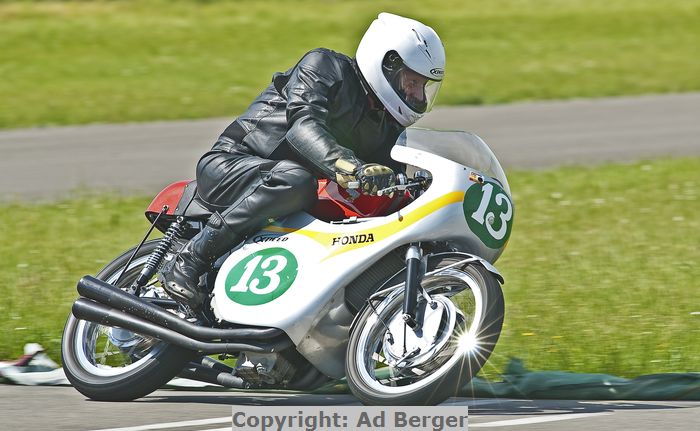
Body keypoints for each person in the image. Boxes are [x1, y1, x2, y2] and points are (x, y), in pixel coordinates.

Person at [159, 12, 446, 309]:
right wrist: (350, 167)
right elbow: (303, 127)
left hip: (291, 195)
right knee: (296, 181)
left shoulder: (385, 125)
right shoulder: (325, 67)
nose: (416, 94)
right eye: (411, 82)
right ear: (387, 64)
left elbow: (393, 188)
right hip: (231, 166)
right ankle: (189, 260)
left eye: (423, 86)